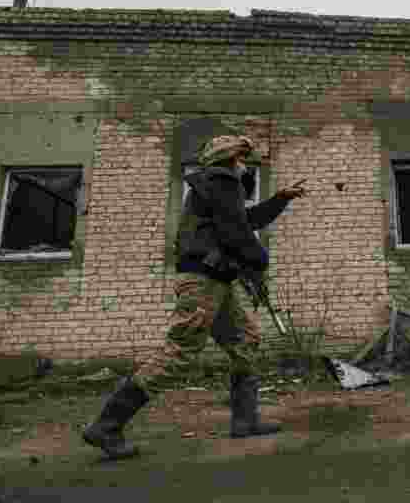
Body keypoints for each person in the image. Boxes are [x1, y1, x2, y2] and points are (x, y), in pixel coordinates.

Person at [82, 135, 307, 459]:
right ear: (231, 160)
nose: (246, 164)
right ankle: (106, 425)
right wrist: (259, 264)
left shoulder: (216, 187)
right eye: (242, 158)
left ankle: (245, 420)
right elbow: (238, 235)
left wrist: (280, 199)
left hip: (215, 281)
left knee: (245, 339)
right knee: (180, 351)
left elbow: (244, 222)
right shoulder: (221, 182)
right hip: (203, 283)